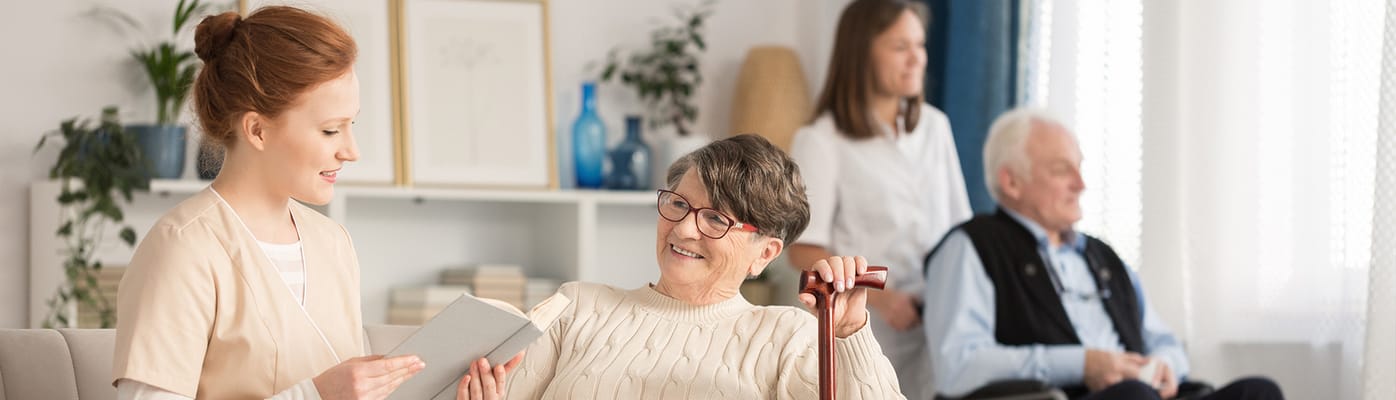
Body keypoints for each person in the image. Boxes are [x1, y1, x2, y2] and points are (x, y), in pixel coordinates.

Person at [111, 8, 516, 400]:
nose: (351, 151)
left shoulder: (332, 243)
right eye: (329, 130)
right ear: (257, 130)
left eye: (350, 125)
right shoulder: (181, 249)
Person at [501, 134, 904, 399]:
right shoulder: (576, 307)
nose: (684, 228)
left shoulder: (789, 338)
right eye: (678, 204)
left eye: (716, 219)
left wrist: (850, 331)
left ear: (764, 253)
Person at [923, 108, 1284, 400]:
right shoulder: (971, 246)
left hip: (1140, 393)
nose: (1081, 184)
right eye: (1062, 169)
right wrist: (1082, 365)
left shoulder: (1102, 256)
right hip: (1065, 395)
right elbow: (958, 366)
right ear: (1012, 182)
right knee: (1132, 397)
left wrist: (1162, 366)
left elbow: (1164, 341)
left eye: (1080, 168)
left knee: (1259, 392)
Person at [788, 0, 972, 398]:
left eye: (919, 46)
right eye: (900, 47)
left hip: (941, 331)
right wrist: (884, 300)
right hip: (868, 330)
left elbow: (960, 229)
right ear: (862, 52)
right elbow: (802, 250)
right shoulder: (822, 140)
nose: (916, 59)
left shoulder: (936, 128)